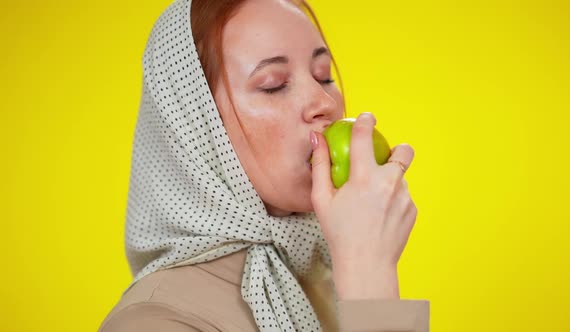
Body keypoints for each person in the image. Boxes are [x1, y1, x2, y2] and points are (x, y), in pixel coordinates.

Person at [98, 0, 430, 331]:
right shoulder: (154, 321)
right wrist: (368, 274)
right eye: (274, 84)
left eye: (324, 77)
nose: (325, 104)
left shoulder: (324, 279)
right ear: (197, 126)